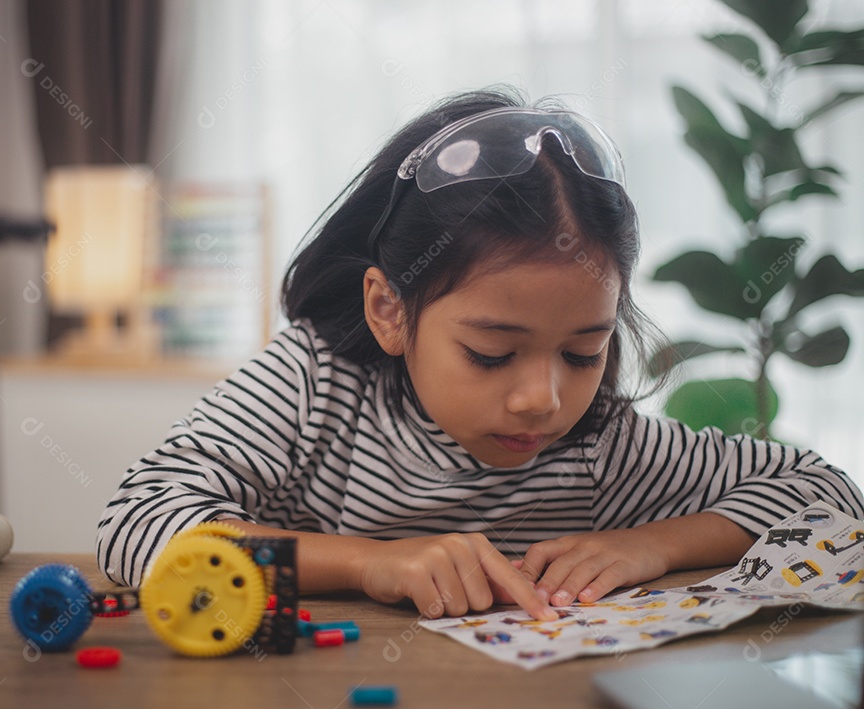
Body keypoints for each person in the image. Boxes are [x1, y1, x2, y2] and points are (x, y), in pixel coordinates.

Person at [96, 87, 864, 621]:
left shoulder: (600, 446)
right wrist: (370, 563)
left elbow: (827, 495)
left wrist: (650, 545)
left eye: (583, 351)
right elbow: (137, 527)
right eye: (493, 354)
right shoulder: (315, 382)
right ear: (389, 310)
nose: (544, 399)